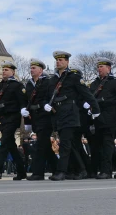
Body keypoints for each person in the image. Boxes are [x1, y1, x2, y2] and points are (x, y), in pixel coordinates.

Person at [44, 51, 100, 181]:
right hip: (57, 114)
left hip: (70, 113)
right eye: (57, 60)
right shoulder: (52, 80)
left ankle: (61, 171)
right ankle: (81, 169)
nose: (58, 62)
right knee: (71, 145)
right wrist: (45, 104)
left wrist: (95, 108)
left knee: (65, 143)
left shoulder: (73, 77)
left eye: (61, 60)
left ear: (67, 62)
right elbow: (47, 97)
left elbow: (86, 94)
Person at [88, 58, 116, 179]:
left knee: (107, 143)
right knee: (104, 145)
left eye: (102, 66)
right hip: (98, 117)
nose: (99, 69)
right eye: (98, 67)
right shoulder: (95, 83)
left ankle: (106, 171)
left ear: (109, 68)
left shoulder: (115, 82)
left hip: (112, 116)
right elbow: (90, 96)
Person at [0, 61, 28, 180]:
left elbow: (22, 101)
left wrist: (23, 110)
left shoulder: (17, 85)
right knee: (11, 145)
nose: (4, 72)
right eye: (3, 70)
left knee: (4, 143)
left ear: (13, 72)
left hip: (12, 117)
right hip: (2, 118)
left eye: (7, 70)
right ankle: (21, 171)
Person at [24, 59, 55, 180]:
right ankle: (58, 169)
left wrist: (47, 105)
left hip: (45, 116)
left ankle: (38, 173)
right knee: (46, 146)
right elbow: (27, 100)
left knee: (40, 145)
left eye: (34, 68)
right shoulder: (29, 84)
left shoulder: (47, 82)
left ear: (41, 70)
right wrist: (26, 117)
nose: (31, 70)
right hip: (35, 116)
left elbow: (51, 96)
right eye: (31, 68)